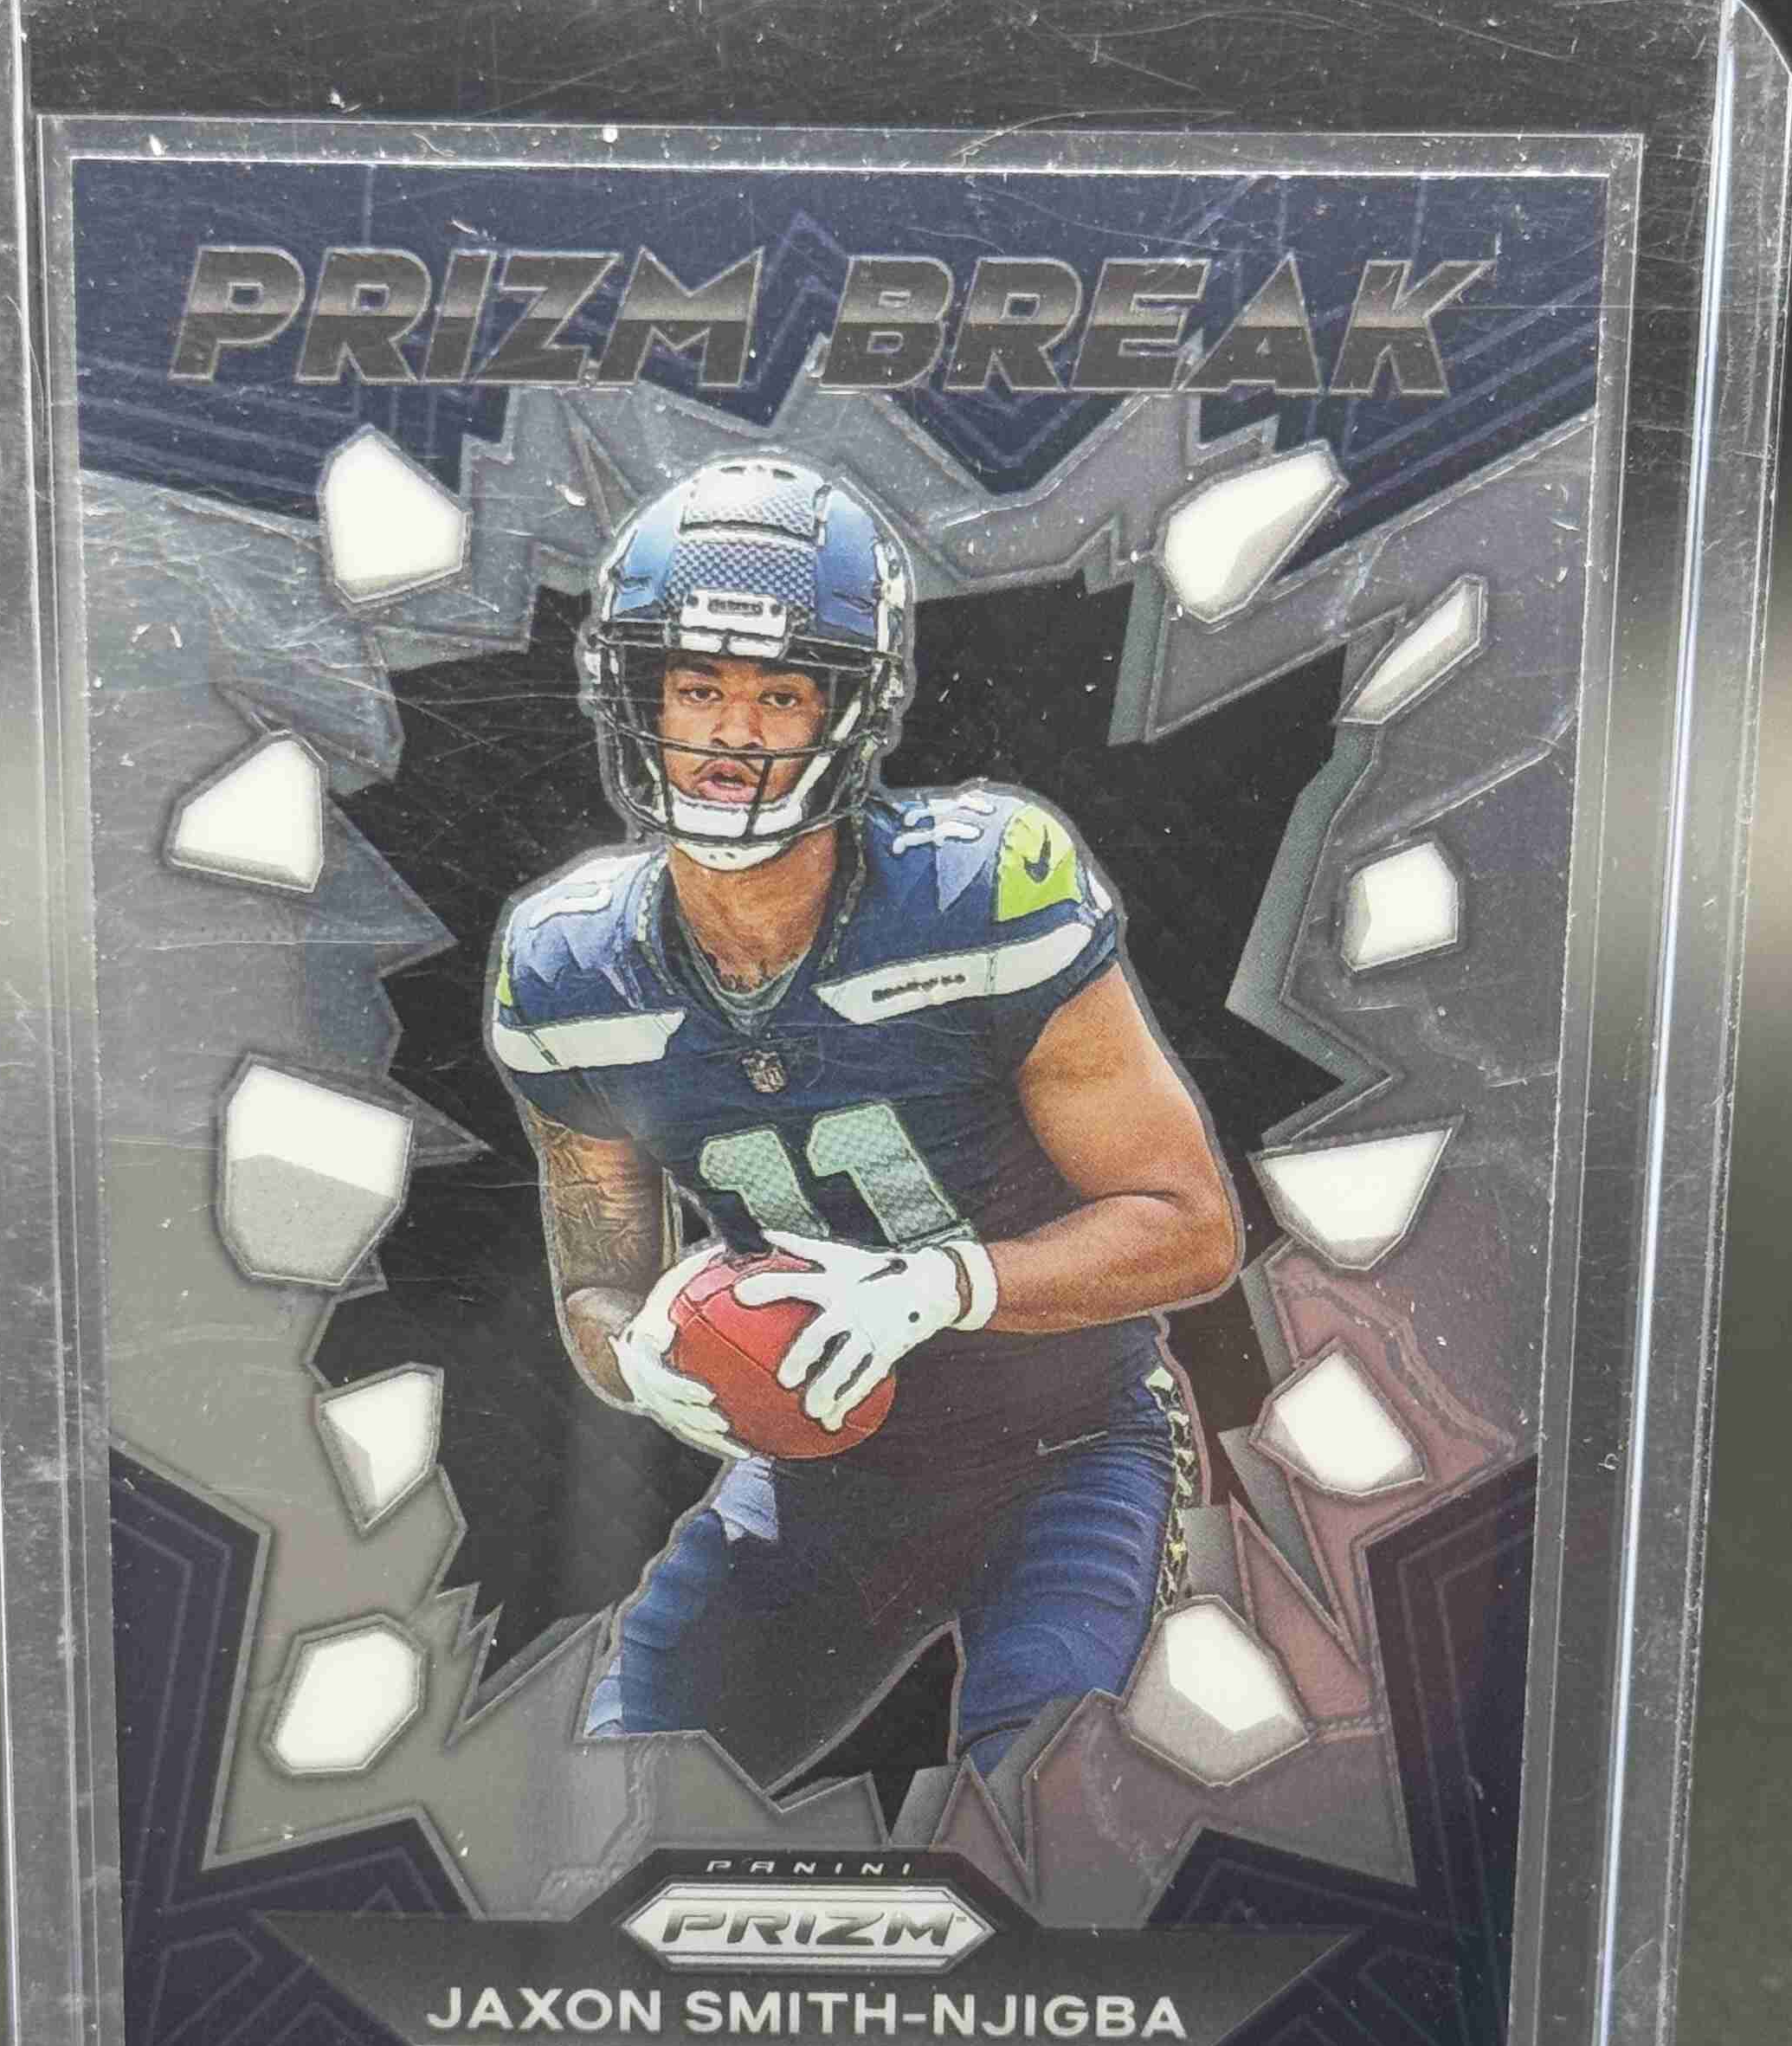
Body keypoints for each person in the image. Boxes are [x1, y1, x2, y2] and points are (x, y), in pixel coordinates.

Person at [487, 453, 1241, 1792]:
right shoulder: (566, 968)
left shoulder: (981, 890)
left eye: (781, 693)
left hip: (1066, 1449)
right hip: (817, 1478)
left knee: (1047, 1816)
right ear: (634, 695)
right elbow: (600, 1283)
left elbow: (1189, 1228)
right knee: (614, 1812)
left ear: (854, 708)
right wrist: (641, 1356)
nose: (732, 733)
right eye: (697, 686)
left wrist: (940, 1286)